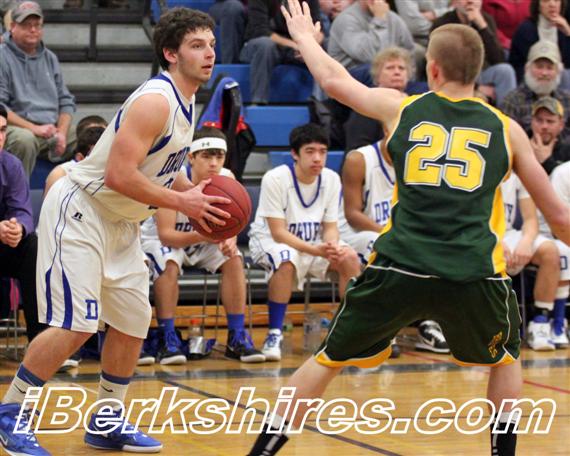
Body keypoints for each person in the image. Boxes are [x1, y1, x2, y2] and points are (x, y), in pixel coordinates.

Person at [246, 2, 570, 455]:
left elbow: (335, 81)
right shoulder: (507, 130)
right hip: (472, 270)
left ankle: (262, 450)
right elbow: (559, 217)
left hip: (400, 264)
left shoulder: (402, 108)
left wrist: (304, 38)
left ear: (432, 68)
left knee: (327, 360)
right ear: (479, 71)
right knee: (505, 357)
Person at [0, 7, 231, 455]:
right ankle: (11, 412)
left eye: (211, 45)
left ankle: (107, 419)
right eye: (197, 45)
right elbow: (119, 175)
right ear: (171, 53)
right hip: (82, 211)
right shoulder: (155, 101)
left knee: (132, 320)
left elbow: (162, 167)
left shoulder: (186, 101)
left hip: (122, 221)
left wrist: (197, 195)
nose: (209, 54)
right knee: (76, 325)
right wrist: (184, 203)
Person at [141, 127, 264, 364]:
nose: (214, 163)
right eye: (207, 156)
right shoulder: (172, 177)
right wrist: (208, 236)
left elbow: (231, 225)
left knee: (234, 259)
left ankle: (236, 336)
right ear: (191, 157)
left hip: (202, 240)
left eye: (219, 156)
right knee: (168, 263)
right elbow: (167, 235)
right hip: (164, 240)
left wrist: (229, 239)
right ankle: (168, 337)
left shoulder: (227, 178)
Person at [248, 123, 361, 362]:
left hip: (312, 245)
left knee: (348, 257)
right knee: (286, 258)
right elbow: (278, 233)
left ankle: (348, 333)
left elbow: (330, 227)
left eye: (322, 152)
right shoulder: (275, 178)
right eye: (310, 151)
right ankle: (274, 334)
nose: (317, 158)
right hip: (268, 241)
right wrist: (316, 250)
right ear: (295, 154)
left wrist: (331, 245)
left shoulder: (331, 179)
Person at [339, 136, 450, 355]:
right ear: (385, 127)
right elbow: (352, 215)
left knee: (436, 246)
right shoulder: (359, 159)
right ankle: (378, 331)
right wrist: (392, 234)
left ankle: (428, 323)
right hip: (355, 234)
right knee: (384, 247)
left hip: (398, 235)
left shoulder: (421, 160)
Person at [0, 1, 76, 177]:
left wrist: (62, 132)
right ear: (12, 27)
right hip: (17, 127)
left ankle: (78, 192)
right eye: (26, 25)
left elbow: (66, 101)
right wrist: (34, 128)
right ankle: (17, 193)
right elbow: (1, 108)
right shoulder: (2, 56)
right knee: (24, 140)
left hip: (51, 128)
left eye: (37, 25)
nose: (33, 30)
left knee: (91, 134)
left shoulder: (50, 58)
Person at [500, 169, 568, 350]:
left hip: (509, 234)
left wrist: (526, 241)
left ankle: (540, 323)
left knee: (550, 251)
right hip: (482, 234)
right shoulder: (479, 168)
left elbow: (530, 220)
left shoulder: (518, 172)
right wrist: (495, 241)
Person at [0, 103, 47, 344]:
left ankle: (40, 343)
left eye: (2, 130)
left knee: (33, 247)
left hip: (3, 243)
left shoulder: (11, 165)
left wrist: (18, 228)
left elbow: (22, 211)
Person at [431, 0, 517, 106]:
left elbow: (499, 59)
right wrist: (477, 87)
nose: (470, 1)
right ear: (455, 2)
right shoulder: (443, 24)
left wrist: (482, 26)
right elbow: (442, 65)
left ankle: (507, 114)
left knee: (506, 71)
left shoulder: (486, 20)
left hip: (481, 72)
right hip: (454, 76)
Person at [239, 0, 323, 104]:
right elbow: (261, 31)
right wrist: (299, 45)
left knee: (322, 48)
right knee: (266, 45)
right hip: (259, 45)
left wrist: (309, 46)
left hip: (295, 46)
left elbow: (319, 29)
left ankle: (319, 103)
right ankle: (259, 102)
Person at [327, 0, 414, 86]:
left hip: (388, 75)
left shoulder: (394, 18)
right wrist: (380, 21)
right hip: (351, 78)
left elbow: (409, 52)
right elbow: (369, 56)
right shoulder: (346, 19)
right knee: (374, 69)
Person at [501, 40, 570, 144]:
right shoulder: (512, 101)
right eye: (539, 67)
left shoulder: (567, 100)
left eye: (550, 68)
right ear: (527, 69)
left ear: (558, 72)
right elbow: (504, 138)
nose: (544, 73)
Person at [509, 0, 570, 85]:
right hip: (531, 76)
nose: (552, 4)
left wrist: (568, 33)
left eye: (556, 0)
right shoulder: (526, 29)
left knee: (565, 74)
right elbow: (525, 63)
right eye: (546, 1)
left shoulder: (564, 27)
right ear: (537, 5)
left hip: (559, 75)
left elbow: (567, 62)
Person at [529, 95, 570, 172]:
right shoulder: (519, 144)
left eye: (550, 121)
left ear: (561, 125)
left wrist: (546, 161)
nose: (544, 126)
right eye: (539, 120)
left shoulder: (567, 150)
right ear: (532, 122)